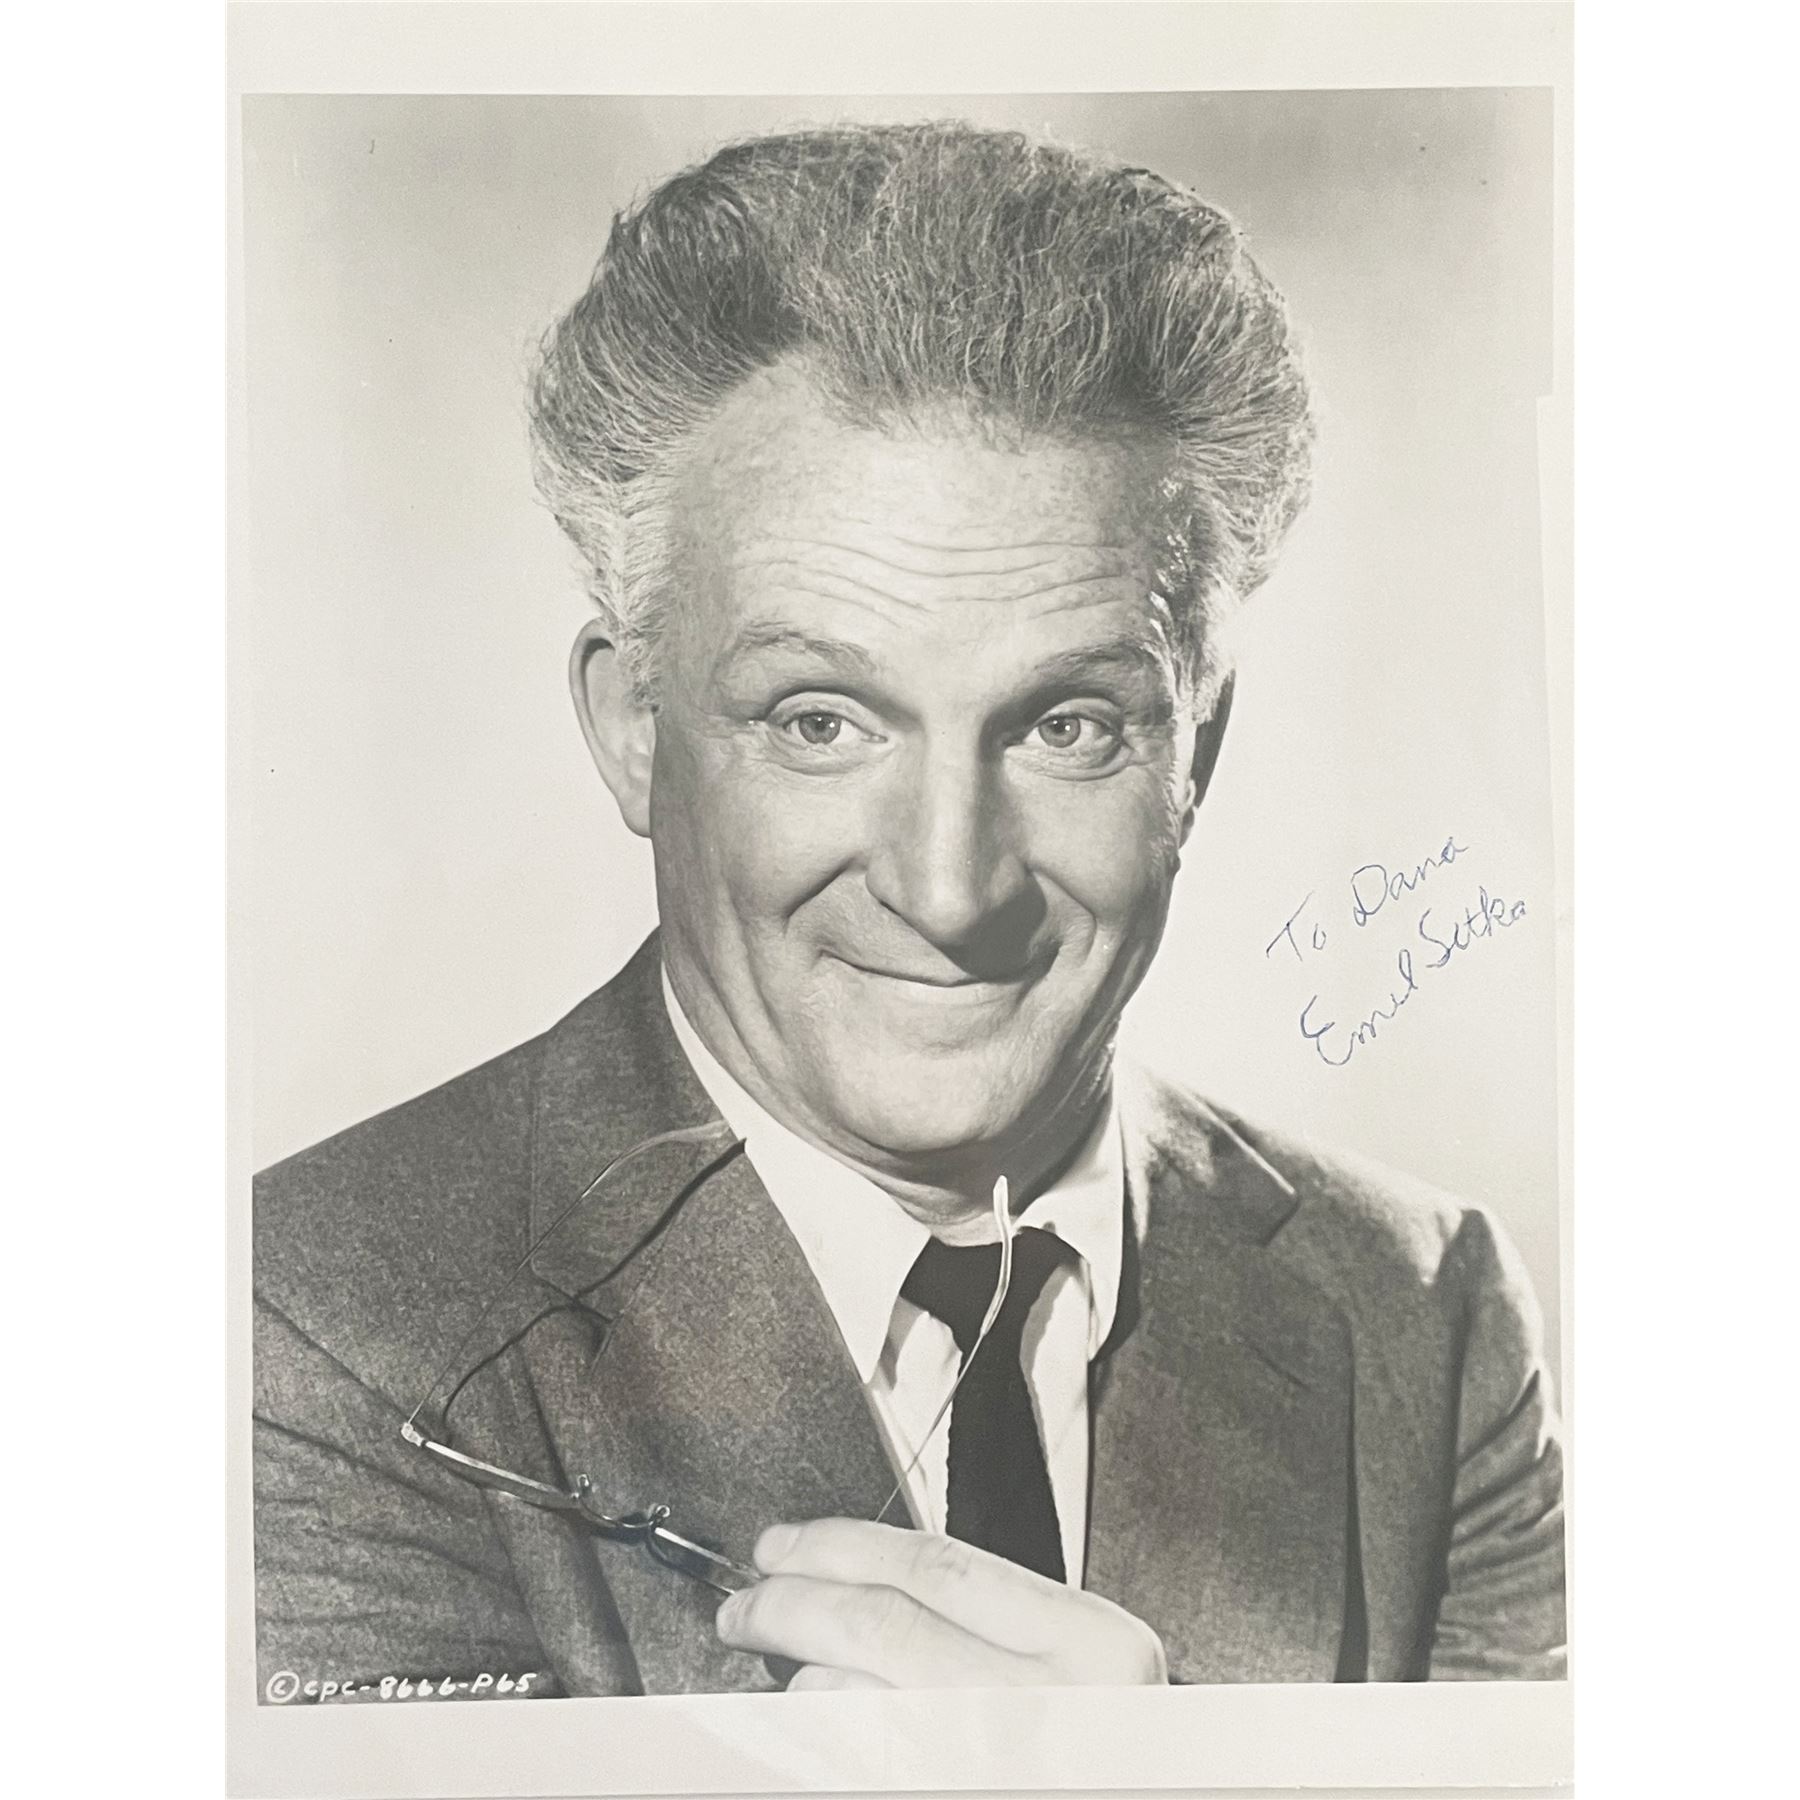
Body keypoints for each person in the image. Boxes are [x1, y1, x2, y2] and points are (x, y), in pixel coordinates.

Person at [252, 120, 1565, 1698]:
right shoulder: (300, 1329)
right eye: (821, 720)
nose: (949, 889)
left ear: (1195, 753)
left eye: (1069, 725)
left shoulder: (1424, 1315)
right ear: (635, 731)